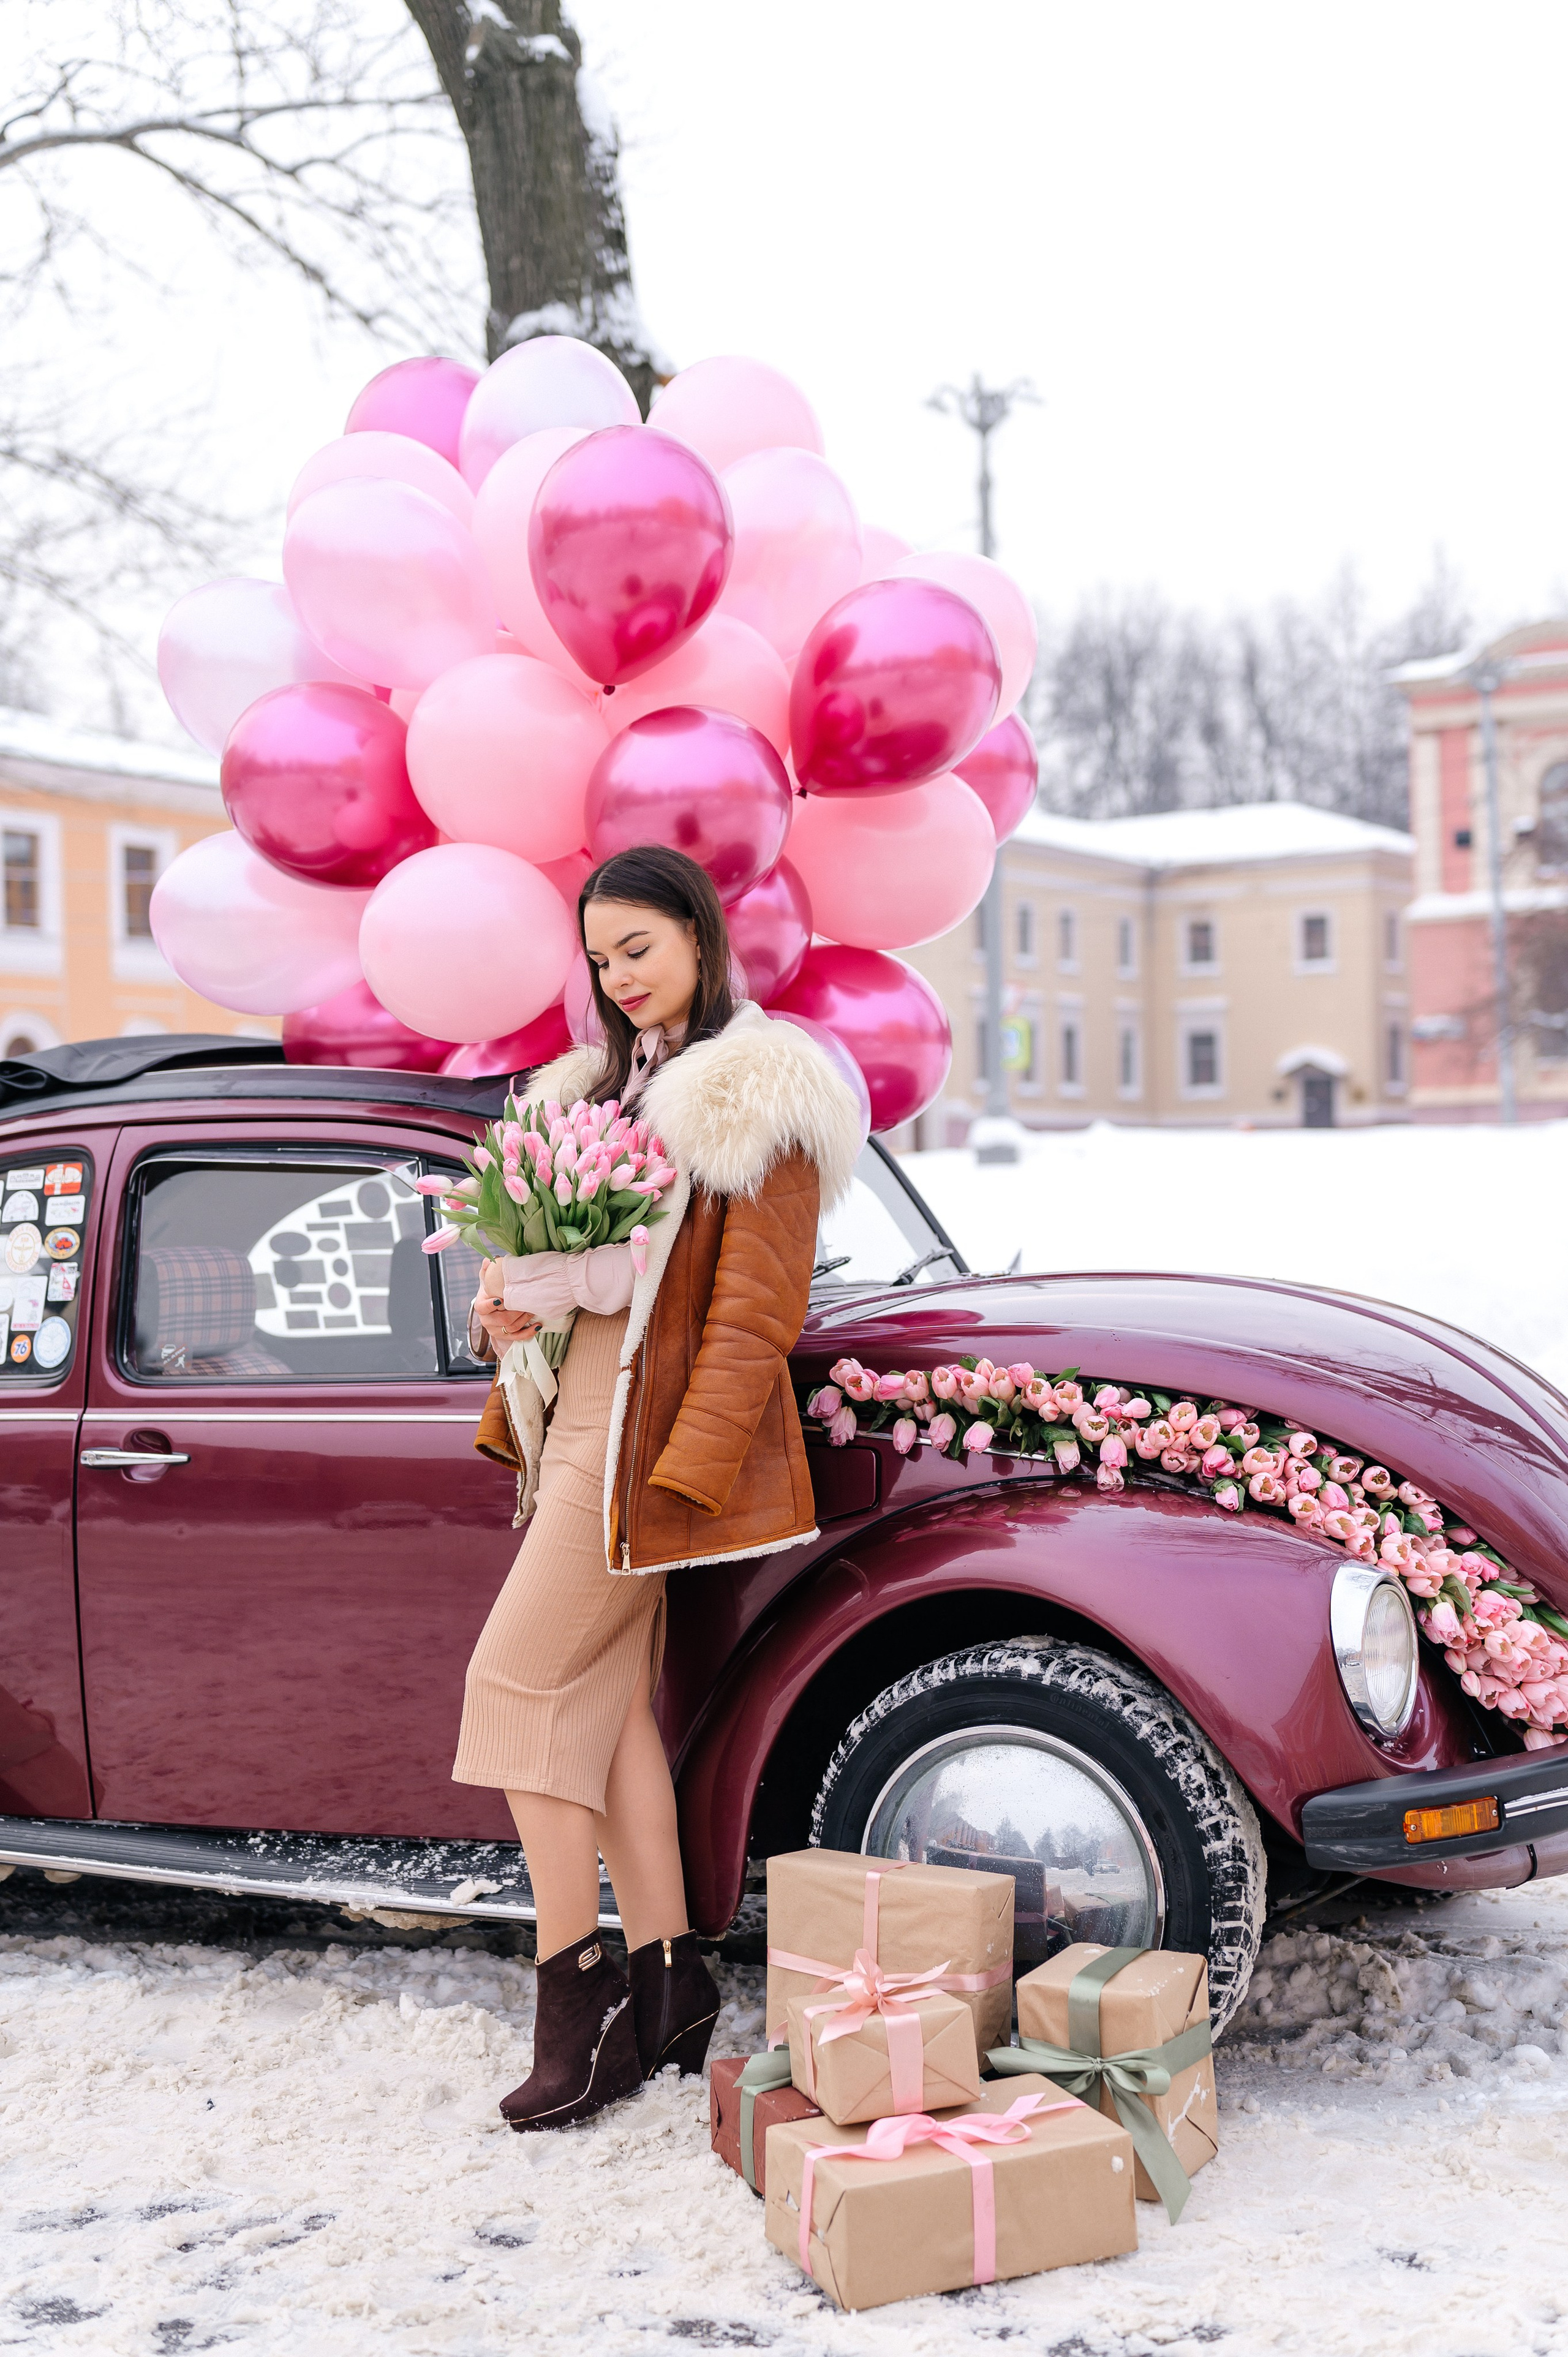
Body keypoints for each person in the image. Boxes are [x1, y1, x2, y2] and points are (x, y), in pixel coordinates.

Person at [452, 844, 862, 2131]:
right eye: (599, 955)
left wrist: (691, 1469)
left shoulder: (760, 1093)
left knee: (513, 1685)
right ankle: (671, 1979)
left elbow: (754, 1317)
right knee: (615, 1712)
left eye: (638, 945)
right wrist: (505, 1312)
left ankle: (571, 2010)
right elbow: (551, 1281)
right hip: (569, 1420)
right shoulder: (581, 1094)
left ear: (696, 933)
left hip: (641, 1452)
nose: (618, 974)